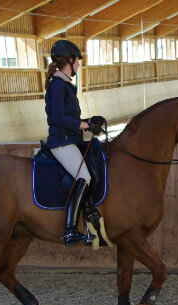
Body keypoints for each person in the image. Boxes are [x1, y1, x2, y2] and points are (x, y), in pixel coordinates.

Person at [44, 40, 106, 246]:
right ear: (70, 60)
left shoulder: (64, 85)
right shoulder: (59, 85)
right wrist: (85, 126)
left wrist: (90, 121)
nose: (79, 64)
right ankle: (70, 230)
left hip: (70, 139)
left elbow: (69, 118)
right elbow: (59, 118)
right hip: (61, 142)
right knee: (84, 176)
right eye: (77, 60)